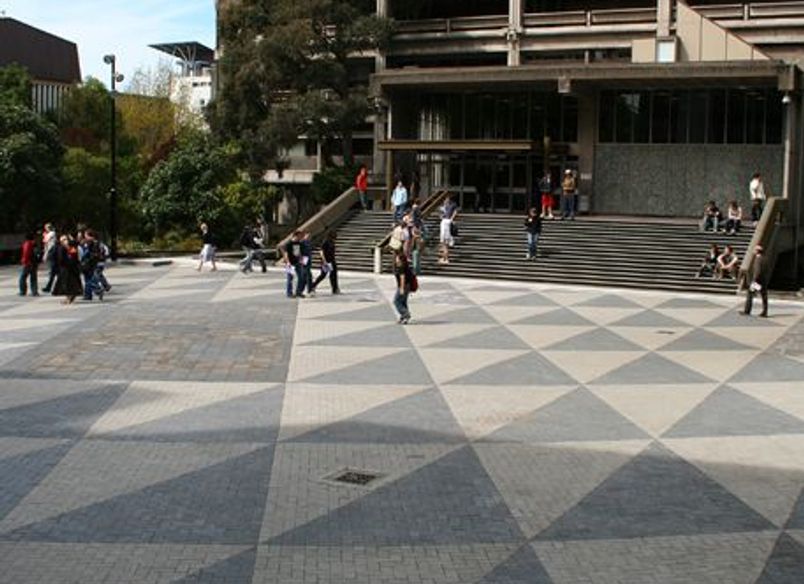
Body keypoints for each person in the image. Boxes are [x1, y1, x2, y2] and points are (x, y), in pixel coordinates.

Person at [52, 235, 83, 304]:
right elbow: (58, 259)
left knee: (72, 285)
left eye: (65, 239)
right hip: (64, 269)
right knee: (66, 285)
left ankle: (70, 298)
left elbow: (74, 258)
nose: (65, 241)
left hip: (72, 269)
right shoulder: (61, 248)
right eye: (63, 240)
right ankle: (68, 298)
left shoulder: (72, 248)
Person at [742, 245, 768, 317]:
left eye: (754, 250)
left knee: (750, 293)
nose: (753, 251)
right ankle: (765, 311)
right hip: (763, 280)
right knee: (764, 295)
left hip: (757, 281)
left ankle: (747, 311)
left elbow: (757, 271)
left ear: (757, 251)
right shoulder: (764, 258)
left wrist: (754, 281)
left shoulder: (758, 259)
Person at [310, 231, 340, 295]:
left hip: (332, 261)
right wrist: (324, 261)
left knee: (333, 274)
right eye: (334, 236)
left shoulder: (332, 242)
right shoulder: (325, 242)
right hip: (326, 261)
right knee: (323, 274)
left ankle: (335, 289)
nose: (335, 237)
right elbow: (321, 252)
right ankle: (313, 285)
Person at [79, 229, 104, 301]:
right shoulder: (96, 242)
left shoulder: (91, 243)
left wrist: (84, 259)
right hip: (91, 263)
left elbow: (88, 253)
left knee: (88, 279)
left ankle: (97, 289)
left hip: (88, 263)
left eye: (86, 235)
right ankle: (88, 295)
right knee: (88, 278)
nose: (85, 236)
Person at [393, 251, 415, 325]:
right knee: (403, 302)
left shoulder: (401, 267)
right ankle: (404, 318)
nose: (396, 259)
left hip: (403, 286)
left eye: (397, 258)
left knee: (396, 301)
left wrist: (401, 288)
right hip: (407, 286)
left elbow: (402, 278)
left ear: (400, 259)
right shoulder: (405, 266)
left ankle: (406, 314)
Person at [283, 230, 305, 298]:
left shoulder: (298, 243)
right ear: (295, 236)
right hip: (290, 263)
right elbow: (286, 254)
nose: (301, 237)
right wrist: (288, 262)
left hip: (297, 262)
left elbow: (297, 253)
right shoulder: (289, 243)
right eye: (300, 236)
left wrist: (301, 259)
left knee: (301, 277)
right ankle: (289, 293)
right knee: (290, 278)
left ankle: (298, 292)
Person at [438, 194, 458, 264]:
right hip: (445, 221)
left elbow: (455, 212)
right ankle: (444, 258)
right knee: (444, 245)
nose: (446, 200)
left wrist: (451, 219)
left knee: (444, 244)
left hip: (446, 222)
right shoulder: (446, 205)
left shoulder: (453, 204)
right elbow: (442, 213)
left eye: (447, 198)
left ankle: (446, 259)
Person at [18, 232, 39, 297]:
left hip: (28, 263)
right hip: (34, 263)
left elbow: (26, 253)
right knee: (33, 278)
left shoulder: (27, 244)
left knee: (22, 277)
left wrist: (24, 261)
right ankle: (34, 292)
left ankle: (22, 291)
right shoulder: (34, 244)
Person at [41, 222, 58, 293]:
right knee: (53, 271)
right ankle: (49, 286)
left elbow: (45, 241)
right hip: (50, 252)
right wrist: (45, 255)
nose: (46, 229)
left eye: (46, 227)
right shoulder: (50, 233)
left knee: (53, 271)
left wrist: (45, 236)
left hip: (52, 252)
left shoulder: (52, 233)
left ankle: (49, 287)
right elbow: (46, 245)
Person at [301, 232, 315, 296]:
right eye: (308, 236)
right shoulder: (302, 242)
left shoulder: (309, 242)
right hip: (303, 260)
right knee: (308, 275)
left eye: (310, 236)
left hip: (308, 260)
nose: (309, 237)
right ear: (304, 235)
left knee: (305, 276)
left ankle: (301, 290)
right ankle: (309, 290)